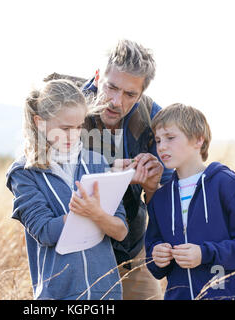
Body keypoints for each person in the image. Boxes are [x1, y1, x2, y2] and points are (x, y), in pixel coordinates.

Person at [5, 79, 128, 300]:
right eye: (65, 128)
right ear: (40, 122)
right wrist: (86, 214)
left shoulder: (97, 162)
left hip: (106, 293)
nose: (74, 135)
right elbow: (44, 231)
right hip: (57, 295)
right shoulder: (24, 172)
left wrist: (97, 214)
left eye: (79, 127)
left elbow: (120, 231)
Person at [145, 103, 235, 300]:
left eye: (170, 138)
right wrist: (157, 256)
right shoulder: (160, 198)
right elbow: (153, 262)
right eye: (158, 140)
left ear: (198, 140)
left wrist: (205, 253)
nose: (162, 146)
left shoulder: (227, 184)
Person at [80, 39, 172, 300]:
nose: (116, 102)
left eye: (130, 94)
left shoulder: (154, 118)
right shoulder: (66, 107)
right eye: (111, 87)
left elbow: (162, 202)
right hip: (78, 255)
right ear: (98, 77)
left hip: (132, 249)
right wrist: (111, 174)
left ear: (141, 94)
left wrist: (151, 185)